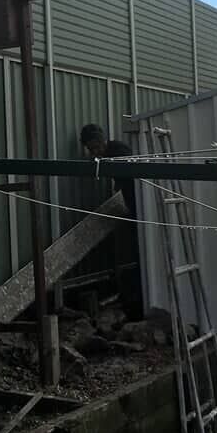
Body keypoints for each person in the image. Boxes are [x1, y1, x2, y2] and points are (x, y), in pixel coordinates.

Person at [80, 123, 141, 317]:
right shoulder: (108, 154)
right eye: (91, 149)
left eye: (96, 147)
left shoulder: (118, 151)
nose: (95, 152)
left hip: (140, 204)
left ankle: (136, 297)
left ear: (103, 141)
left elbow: (132, 175)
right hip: (133, 205)